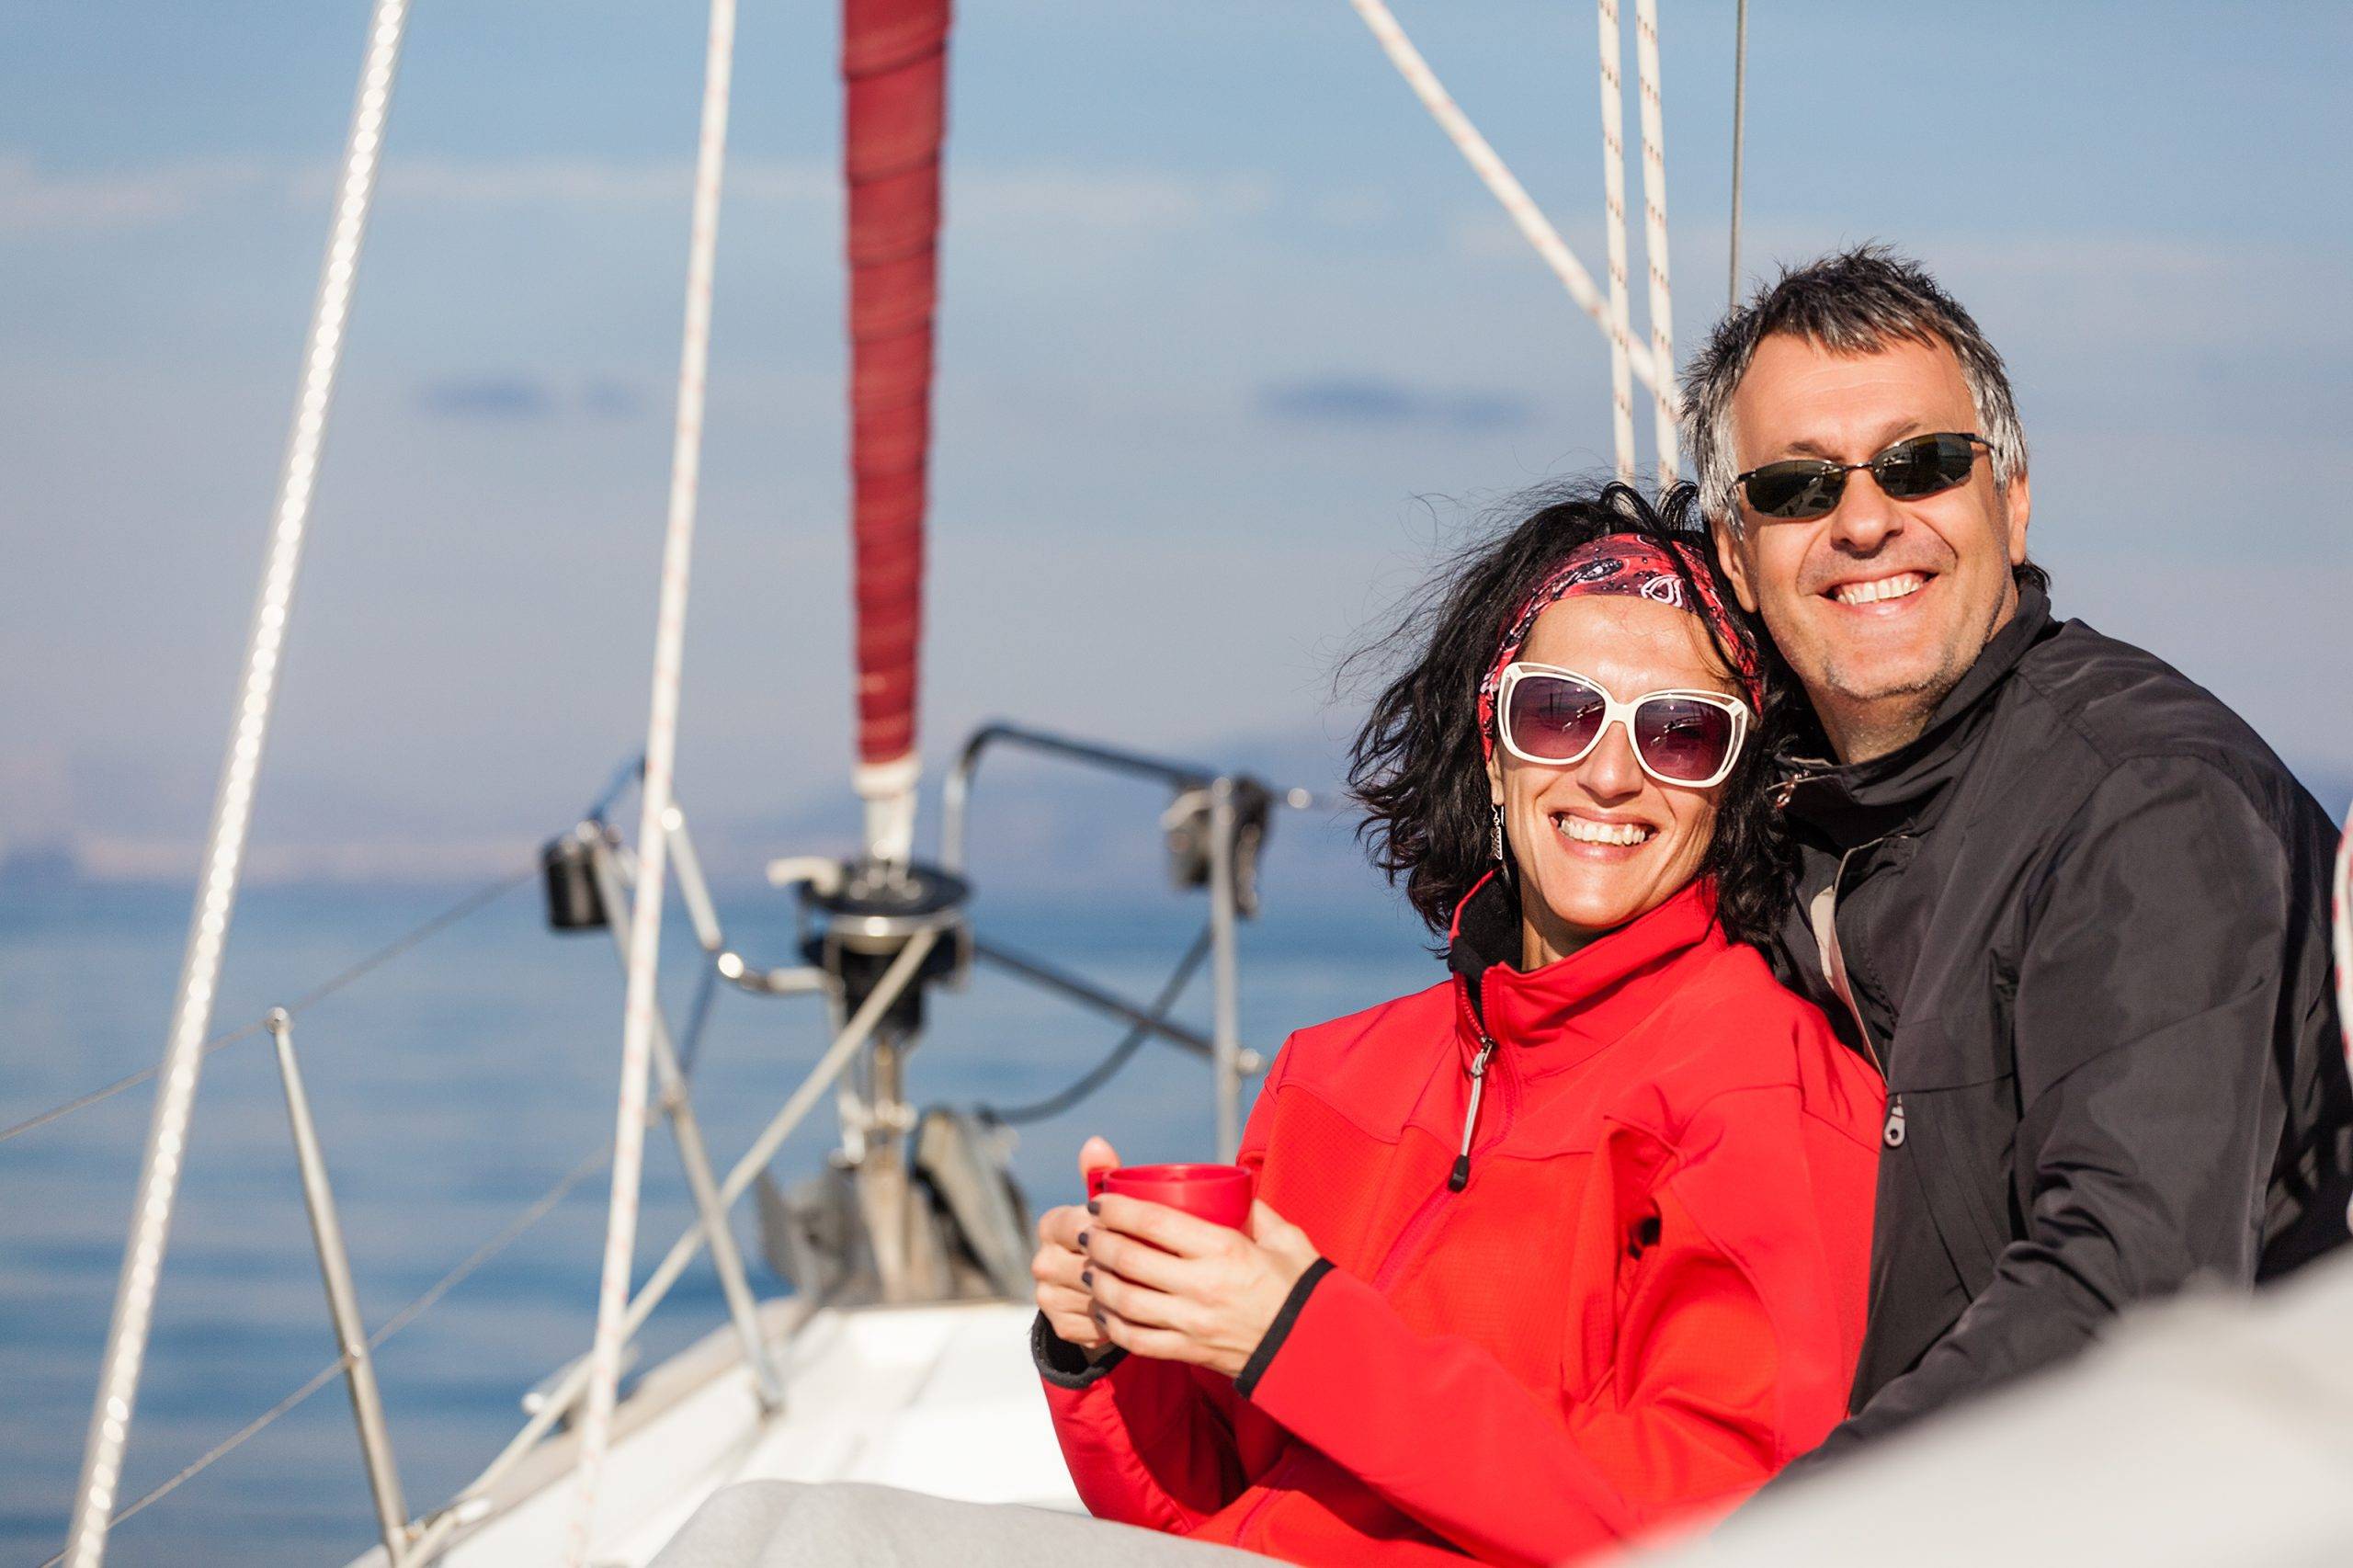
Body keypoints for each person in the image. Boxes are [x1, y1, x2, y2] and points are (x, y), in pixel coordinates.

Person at [1029, 483, 1885, 1565]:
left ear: (1733, 782)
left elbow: (1722, 1519)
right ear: (1492, 744)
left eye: (1680, 731)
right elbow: (1216, 1506)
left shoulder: (1768, 1087)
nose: (1611, 772)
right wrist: (1103, 1349)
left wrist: (1295, 1333)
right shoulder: (1328, 1074)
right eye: (1559, 711)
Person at [1677, 244, 2353, 1471]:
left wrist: (1788, 1532)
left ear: (2015, 497)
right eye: (1797, 488)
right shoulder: (1783, 816)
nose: (1867, 520)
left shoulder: (2146, 806)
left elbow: (2130, 1296)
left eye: (1921, 464)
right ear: (1737, 553)